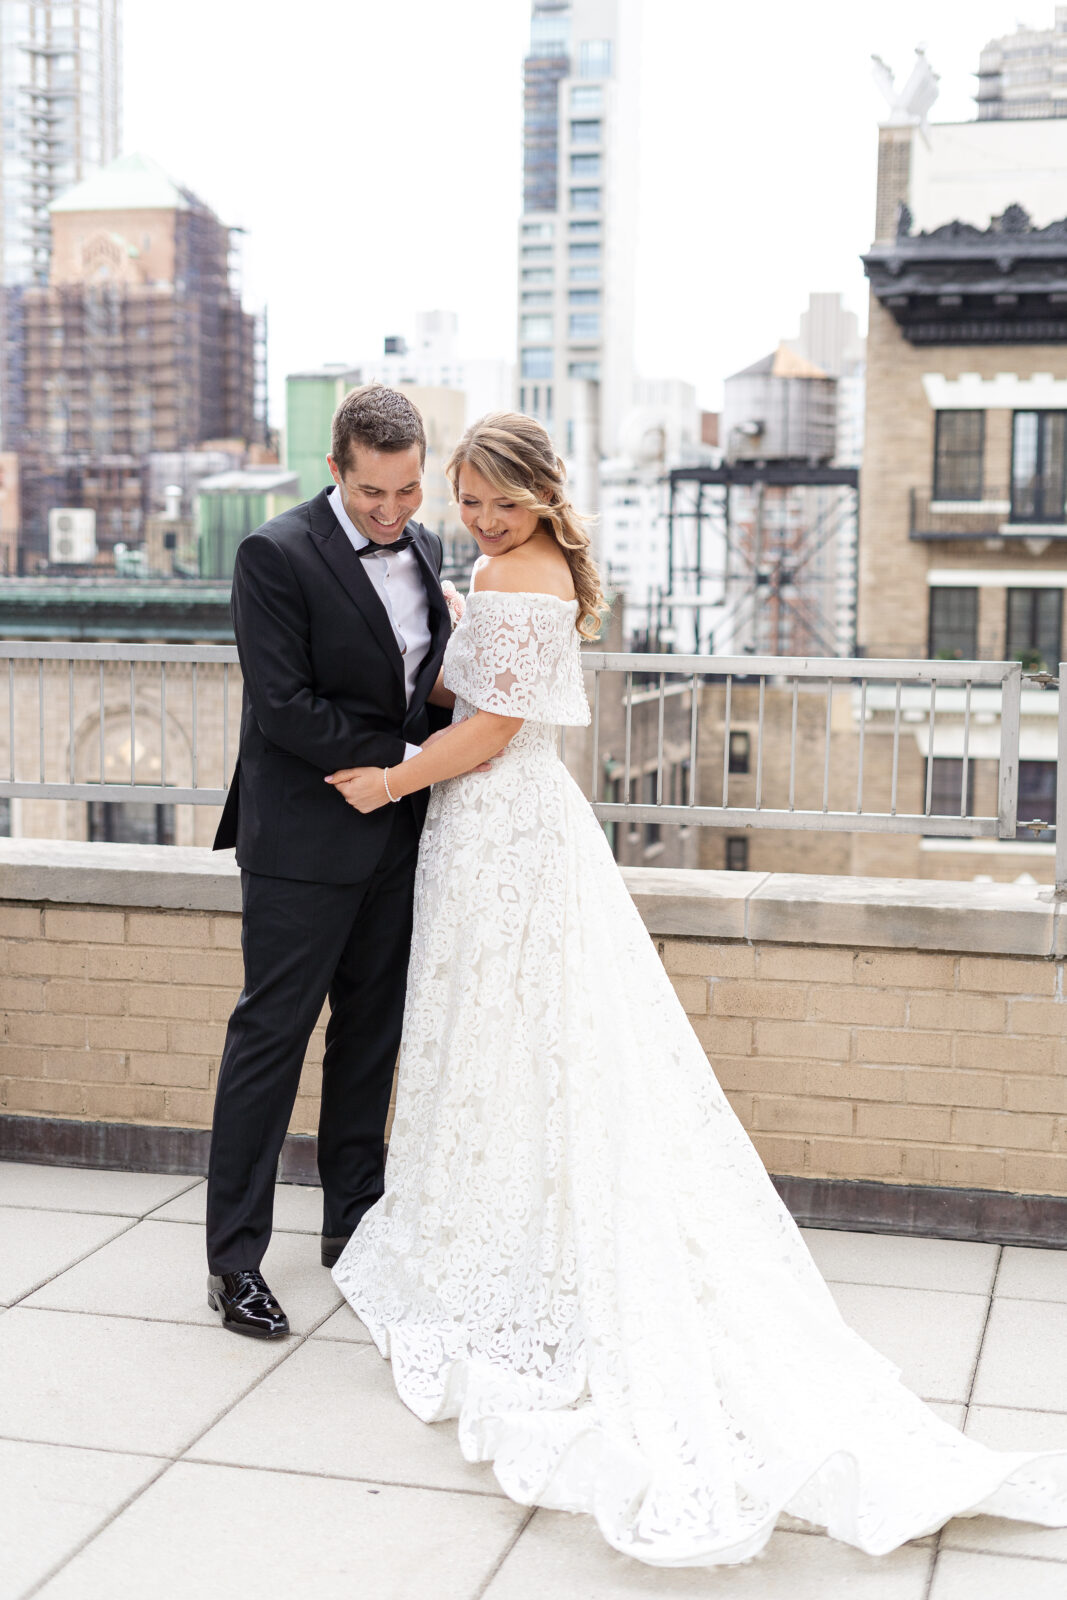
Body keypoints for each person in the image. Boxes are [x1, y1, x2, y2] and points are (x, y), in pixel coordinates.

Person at [327, 411, 1067, 1567]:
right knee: (496, 1030)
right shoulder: (513, 568)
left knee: (519, 1029)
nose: (476, 518)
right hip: (498, 832)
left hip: (500, 821)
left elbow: (490, 731)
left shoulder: (523, 574)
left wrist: (390, 780)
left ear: (537, 494)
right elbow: (475, 681)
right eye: (463, 500)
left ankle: (509, 1238)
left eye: (495, 500)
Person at [205, 384, 453, 1340]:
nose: (391, 513)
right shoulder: (273, 552)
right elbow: (284, 706)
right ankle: (234, 1264)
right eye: (371, 494)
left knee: (368, 1041)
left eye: (407, 492)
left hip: (397, 833)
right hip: (304, 842)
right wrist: (401, 764)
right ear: (335, 469)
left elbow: (415, 686)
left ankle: (353, 1231)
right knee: (270, 1044)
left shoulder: (427, 549)